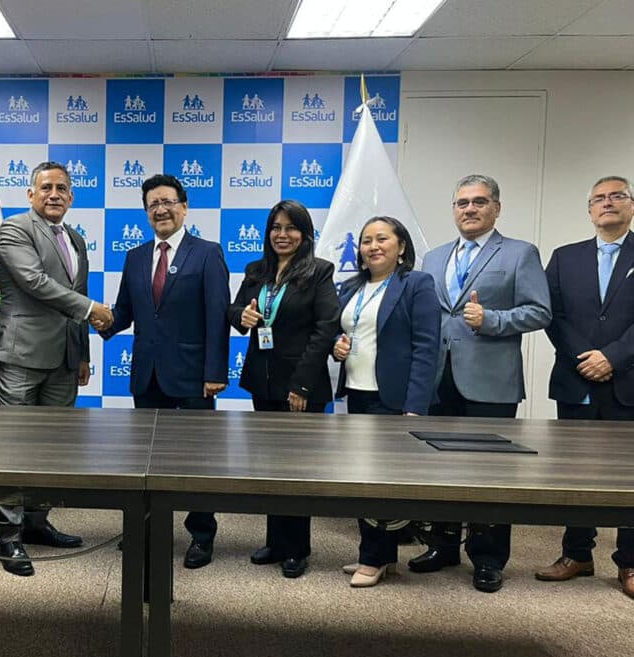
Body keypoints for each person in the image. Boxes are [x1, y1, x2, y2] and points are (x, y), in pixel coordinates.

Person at [413, 174, 551, 593]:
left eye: (479, 201)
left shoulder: (519, 253)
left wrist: (492, 320)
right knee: (440, 468)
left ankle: (488, 559)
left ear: (496, 208)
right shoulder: (434, 257)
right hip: (439, 379)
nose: (469, 209)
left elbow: (540, 311)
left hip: (490, 383)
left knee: (491, 474)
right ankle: (442, 546)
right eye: (462, 203)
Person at [0, 161, 113, 577]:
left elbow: (77, 297)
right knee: (16, 449)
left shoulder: (76, 239)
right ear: (31, 194)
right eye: (46, 188)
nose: (54, 194)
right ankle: (8, 537)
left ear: (72, 196)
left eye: (62, 188)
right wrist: (93, 309)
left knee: (53, 448)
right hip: (21, 356)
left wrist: (83, 354)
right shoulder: (15, 229)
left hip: (64, 359)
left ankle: (36, 523)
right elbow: (35, 282)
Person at [101, 173, 230, 570]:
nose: (161, 209)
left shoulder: (207, 253)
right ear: (146, 212)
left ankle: (202, 536)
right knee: (145, 460)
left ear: (184, 207)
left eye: (167, 202)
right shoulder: (136, 256)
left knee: (197, 461)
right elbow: (126, 311)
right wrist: (100, 319)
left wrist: (215, 372)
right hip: (147, 375)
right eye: (153, 204)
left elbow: (217, 317)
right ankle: (145, 529)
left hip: (193, 377)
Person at [230, 199, 339, 578]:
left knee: (296, 471)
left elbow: (326, 329)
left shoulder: (319, 272)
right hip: (263, 382)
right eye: (276, 227)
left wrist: (302, 385)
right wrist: (242, 315)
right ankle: (275, 542)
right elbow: (234, 310)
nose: (282, 234)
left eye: (291, 228)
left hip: (301, 387)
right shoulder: (256, 270)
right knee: (269, 467)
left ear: (305, 234)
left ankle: (297, 548)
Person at [538, 175, 634, 599]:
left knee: (628, 477)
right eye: (599, 198)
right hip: (576, 381)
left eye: (617, 196)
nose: (607, 203)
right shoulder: (564, 257)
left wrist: (613, 357)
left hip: (627, 379)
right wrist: (586, 357)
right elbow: (551, 315)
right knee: (576, 474)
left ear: (631, 205)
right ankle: (576, 554)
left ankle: (630, 561)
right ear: (590, 210)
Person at [331, 216, 440, 587]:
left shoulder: (416, 284)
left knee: (381, 480)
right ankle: (380, 556)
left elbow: (426, 347)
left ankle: (373, 559)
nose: (373, 246)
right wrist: (337, 345)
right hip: (357, 393)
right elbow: (341, 332)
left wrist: (415, 406)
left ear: (401, 246)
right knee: (361, 476)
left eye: (382, 239)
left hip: (393, 399)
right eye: (366, 240)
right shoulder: (352, 286)